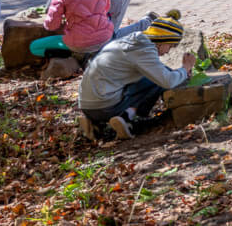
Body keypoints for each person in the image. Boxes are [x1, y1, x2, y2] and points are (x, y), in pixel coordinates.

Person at [77, 13, 196, 141]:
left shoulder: (133, 40)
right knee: (155, 82)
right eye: (170, 46)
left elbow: (157, 69)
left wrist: (178, 72)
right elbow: (167, 81)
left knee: (151, 75)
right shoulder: (144, 50)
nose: (168, 51)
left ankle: (94, 123)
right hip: (105, 107)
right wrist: (185, 68)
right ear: (162, 41)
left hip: (86, 105)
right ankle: (127, 118)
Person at [42, 0, 114, 59]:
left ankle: (74, 60)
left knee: (35, 46)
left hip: (79, 43)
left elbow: (51, 25)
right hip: (105, 37)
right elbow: (106, 8)